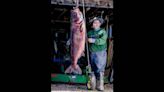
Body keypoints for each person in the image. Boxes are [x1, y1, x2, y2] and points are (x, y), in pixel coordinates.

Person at [87, 17, 107, 91]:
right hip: (92, 52)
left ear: (100, 24)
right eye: (94, 22)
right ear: (92, 24)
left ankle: (100, 86)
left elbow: (103, 40)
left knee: (100, 68)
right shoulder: (90, 32)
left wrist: (93, 40)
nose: (95, 24)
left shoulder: (102, 31)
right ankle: (93, 85)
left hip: (100, 52)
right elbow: (84, 37)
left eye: (97, 23)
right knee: (93, 68)